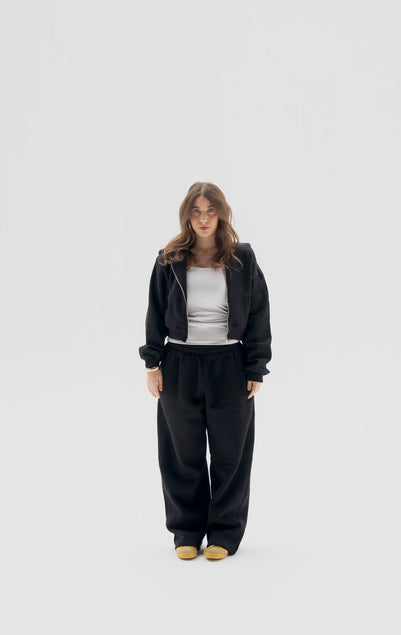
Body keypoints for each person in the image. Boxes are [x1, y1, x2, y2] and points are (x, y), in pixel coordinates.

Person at [138, 181, 272, 561]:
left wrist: (255, 366)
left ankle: (224, 535)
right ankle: (186, 532)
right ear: (187, 216)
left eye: (210, 210)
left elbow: (259, 312)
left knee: (231, 455)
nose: (203, 218)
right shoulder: (169, 259)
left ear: (221, 213)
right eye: (196, 211)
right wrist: (152, 364)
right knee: (182, 454)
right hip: (179, 364)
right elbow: (154, 313)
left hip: (230, 364)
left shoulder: (242, 257)